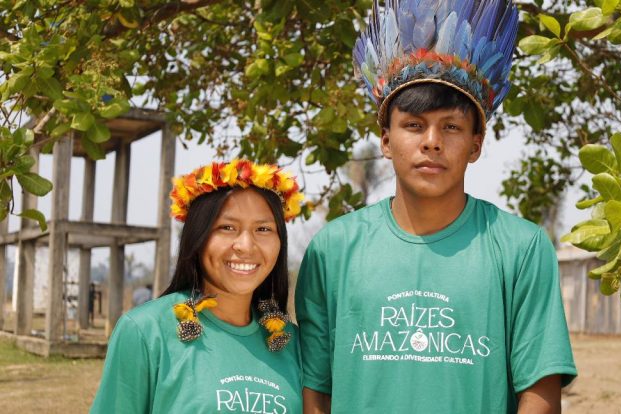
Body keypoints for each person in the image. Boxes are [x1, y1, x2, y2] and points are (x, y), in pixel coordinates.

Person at [296, 1, 577, 413]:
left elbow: (540, 393)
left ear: (476, 145)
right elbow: (315, 391)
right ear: (386, 141)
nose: (432, 142)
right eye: (414, 125)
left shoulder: (522, 249)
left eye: (451, 126)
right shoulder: (333, 249)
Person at [91, 160, 305, 413]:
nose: (246, 246)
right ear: (198, 236)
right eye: (227, 227)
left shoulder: (292, 342)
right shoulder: (145, 331)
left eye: (263, 229)